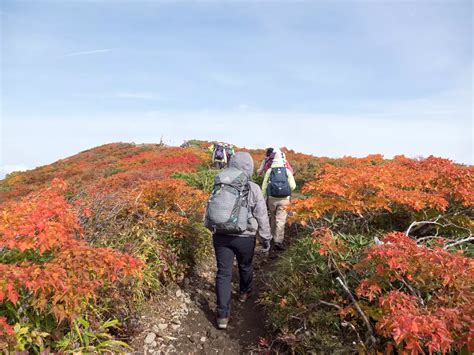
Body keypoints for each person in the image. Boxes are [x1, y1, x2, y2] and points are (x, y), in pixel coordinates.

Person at [206, 152, 271, 330]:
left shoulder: (220, 182)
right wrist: (266, 238)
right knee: (245, 266)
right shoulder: (253, 188)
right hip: (245, 236)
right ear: (249, 167)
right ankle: (244, 293)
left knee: (224, 273)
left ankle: (222, 315)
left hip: (220, 235)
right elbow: (262, 216)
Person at [262, 148, 296, 250]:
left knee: (272, 217)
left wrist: (264, 197)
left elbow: (264, 186)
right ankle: (278, 240)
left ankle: (271, 237)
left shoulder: (269, 170)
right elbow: (293, 186)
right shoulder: (287, 171)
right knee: (281, 220)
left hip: (272, 198)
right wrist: (287, 191)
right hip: (284, 198)